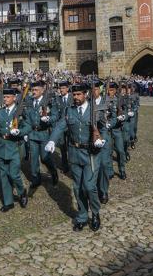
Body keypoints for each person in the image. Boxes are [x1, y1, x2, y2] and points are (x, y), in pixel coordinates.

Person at [46, 83, 106, 232]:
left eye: (79, 94)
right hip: (74, 153)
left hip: (91, 153)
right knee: (77, 187)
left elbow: (104, 127)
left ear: (85, 94)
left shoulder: (95, 110)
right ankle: (82, 216)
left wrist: (101, 140)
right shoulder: (69, 111)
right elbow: (61, 126)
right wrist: (52, 140)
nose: (76, 97)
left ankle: (96, 213)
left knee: (90, 187)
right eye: (74, 95)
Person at [0, 87, 30, 212]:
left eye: (8, 97)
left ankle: (21, 191)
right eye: (4, 97)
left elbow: (28, 126)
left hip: (15, 146)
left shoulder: (20, 111)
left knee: (14, 174)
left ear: (14, 98)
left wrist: (20, 131)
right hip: (1, 145)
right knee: (3, 175)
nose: (5, 99)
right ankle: (8, 202)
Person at [23, 81, 59, 193]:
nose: (33, 92)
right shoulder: (29, 101)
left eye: (36, 90)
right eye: (32, 90)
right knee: (33, 158)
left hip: (44, 133)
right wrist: (25, 131)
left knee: (45, 158)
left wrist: (49, 119)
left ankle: (53, 172)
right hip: (32, 134)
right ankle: (35, 179)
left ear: (42, 90)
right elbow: (26, 117)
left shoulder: (48, 101)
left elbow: (55, 115)